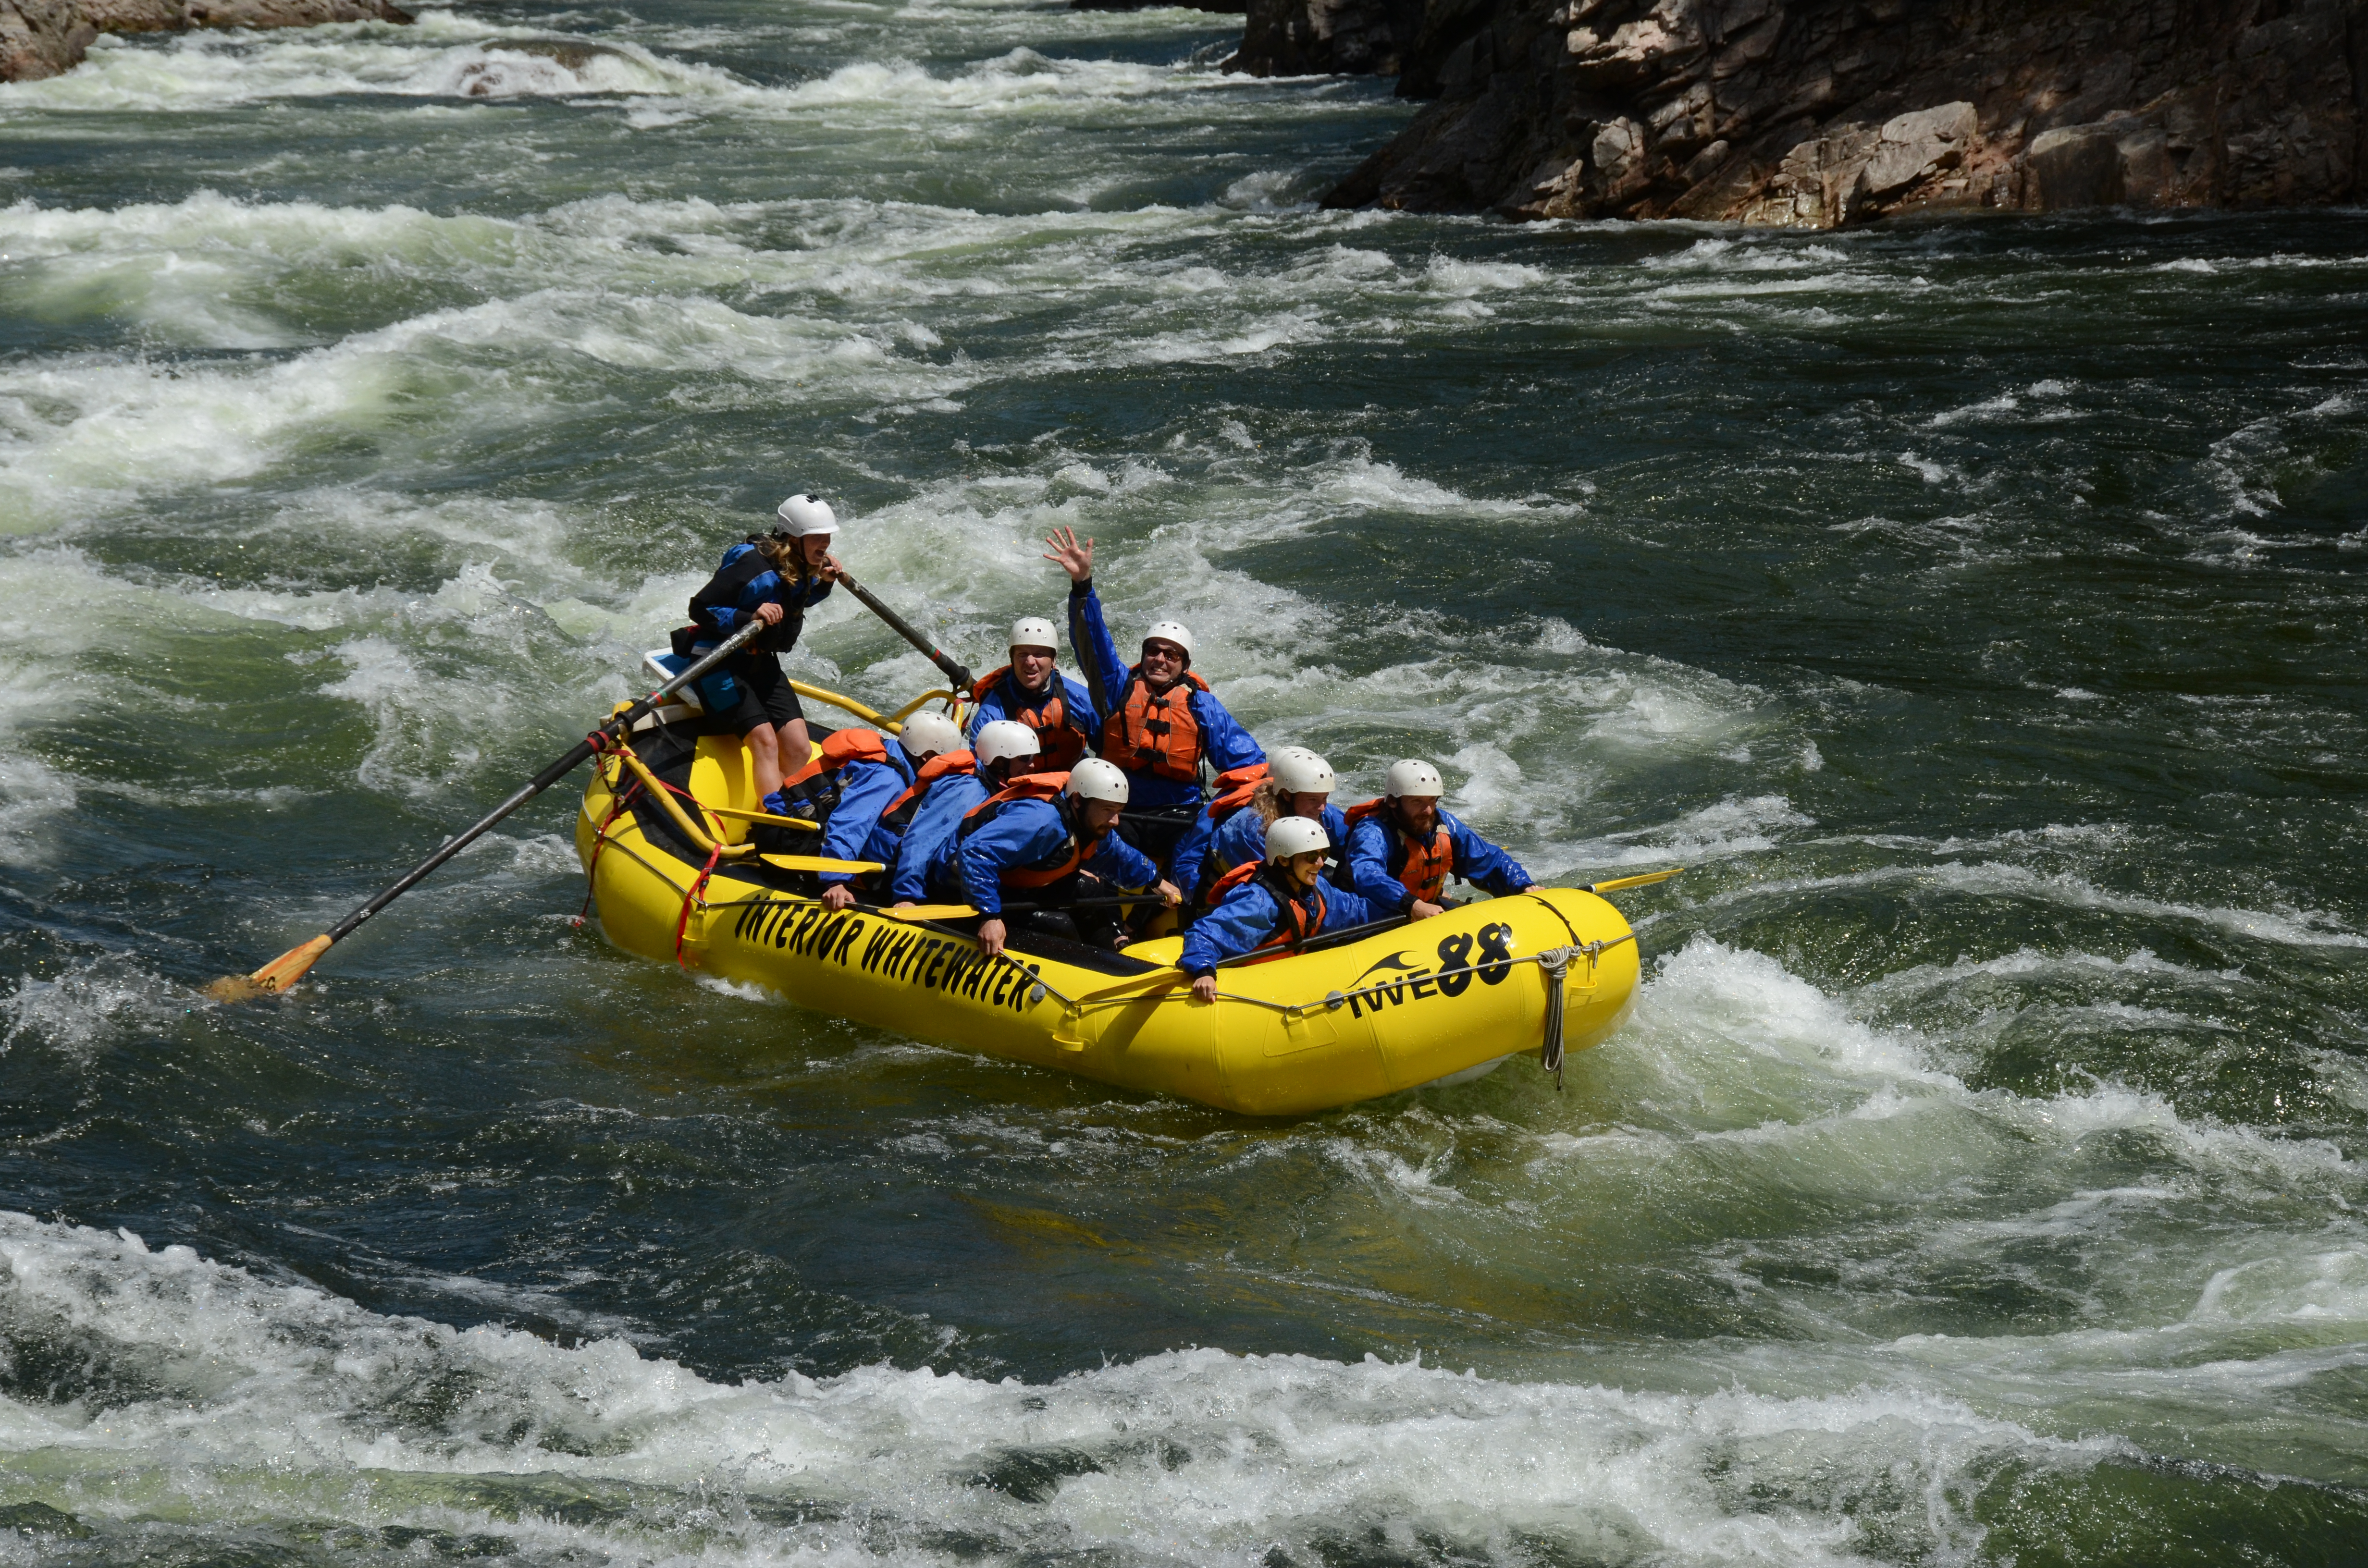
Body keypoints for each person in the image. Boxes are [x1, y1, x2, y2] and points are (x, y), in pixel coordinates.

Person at [1041, 524, 1264, 872]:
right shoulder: (1119, 688)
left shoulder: (1200, 705)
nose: (1160, 659)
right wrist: (1082, 586)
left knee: (1201, 858)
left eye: (1171, 655)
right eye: (1154, 652)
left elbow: (1247, 765)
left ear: (1185, 666)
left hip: (1179, 817)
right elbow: (1094, 644)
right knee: (1088, 850)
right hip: (1117, 811)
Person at [684, 493, 842, 812]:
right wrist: (749, 617)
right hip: (717, 661)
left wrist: (823, 583)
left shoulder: (798, 564)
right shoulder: (751, 565)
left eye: (827, 536)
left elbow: (794, 603)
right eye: (817, 537)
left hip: (757, 660)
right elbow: (700, 608)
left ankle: (771, 810)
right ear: (794, 538)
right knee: (765, 742)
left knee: (798, 745)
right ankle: (778, 820)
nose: (825, 544)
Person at [948, 756, 1181, 957]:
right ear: (1078, 800)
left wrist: (1157, 882)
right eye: (1108, 810)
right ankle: (1080, 977)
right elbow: (975, 854)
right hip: (970, 887)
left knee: (1089, 889)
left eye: (1118, 811)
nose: (1115, 821)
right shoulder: (1040, 822)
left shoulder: (1088, 821)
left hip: (1020, 885)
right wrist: (990, 916)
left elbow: (1117, 854)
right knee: (1059, 924)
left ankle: (1108, 963)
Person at [1180, 817, 1392, 1003]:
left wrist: (1403, 911)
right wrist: (1204, 971)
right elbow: (1204, 933)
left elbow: (1353, 911)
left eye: (1323, 854)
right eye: (1310, 856)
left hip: (1287, 976)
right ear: (1283, 860)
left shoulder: (1315, 889)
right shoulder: (1259, 902)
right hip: (1249, 986)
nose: (1320, 863)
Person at [798, 709, 963, 912]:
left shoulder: (897, 760)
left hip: (814, 832)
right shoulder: (888, 778)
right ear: (927, 755)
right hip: (794, 837)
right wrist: (836, 881)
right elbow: (851, 824)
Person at [1341, 759, 1539, 921]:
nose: (1427, 811)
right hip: (1377, 917)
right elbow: (1368, 874)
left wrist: (1522, 885)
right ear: (1393, 802)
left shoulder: (1444, 824)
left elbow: (1487, 860)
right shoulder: (1373, 831)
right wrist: (1413, 904)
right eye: (1417, 801)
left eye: (1432, 800)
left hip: (1422, 910)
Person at [1170, 746, 1347, 906]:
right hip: (1232, 895)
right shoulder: (1251, 828)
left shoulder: (1311, 806)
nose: (1322, 807)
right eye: (1314, 800)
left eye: (1325, 798)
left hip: (1282, 880)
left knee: (1342, 876)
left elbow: (1352, 836)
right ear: (1286, 796)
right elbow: (1283, 888)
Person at [900, 719, 1039, 909]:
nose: (1032, 766)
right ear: (999, 760)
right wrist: (908, 895)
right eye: (1024, 759)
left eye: (1032, 758)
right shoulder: (970, 788)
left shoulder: (993, 784)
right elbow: (923, 839)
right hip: (927, 878)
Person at [965, 616, 1100, 772]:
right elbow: (982, 773)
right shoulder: (991, 714)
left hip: (1073, 788)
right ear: (1012, 659)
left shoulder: (1080, 699)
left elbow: (1108, 751)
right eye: (1022, 654)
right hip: (1018, 792)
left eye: (1039, 654)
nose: (1030, 662)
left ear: (1053, 660)